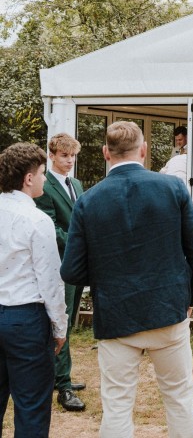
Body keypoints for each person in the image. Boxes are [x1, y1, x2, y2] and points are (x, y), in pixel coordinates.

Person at [61, 121, 193, 438]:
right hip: (168, 310)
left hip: (116, 313)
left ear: (105, 153)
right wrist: (190, 300)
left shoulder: (88, 200)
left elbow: (72, 271)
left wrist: (107, 278)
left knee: (116, 406)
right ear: (143, 151)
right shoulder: (172, 189)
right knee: (180, 399)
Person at [0, 143, 68, 437]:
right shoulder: (37, 220)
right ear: (28, 178)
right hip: (25, 320)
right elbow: (50, 280)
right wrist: (60, 326)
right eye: (42, 173)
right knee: (31, 406)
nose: (44, 179)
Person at [33, 133, 86, 412]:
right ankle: (63, 385)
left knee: (70, 321)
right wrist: (80, 244)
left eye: (73, 156)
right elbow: (49, 228)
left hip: (75, 264)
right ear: (52, 155)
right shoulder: (45, 186)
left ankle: (59, 375)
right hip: (58, 263)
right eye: (64, 156)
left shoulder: (75, 183)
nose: (70, 161)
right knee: (60, 322)